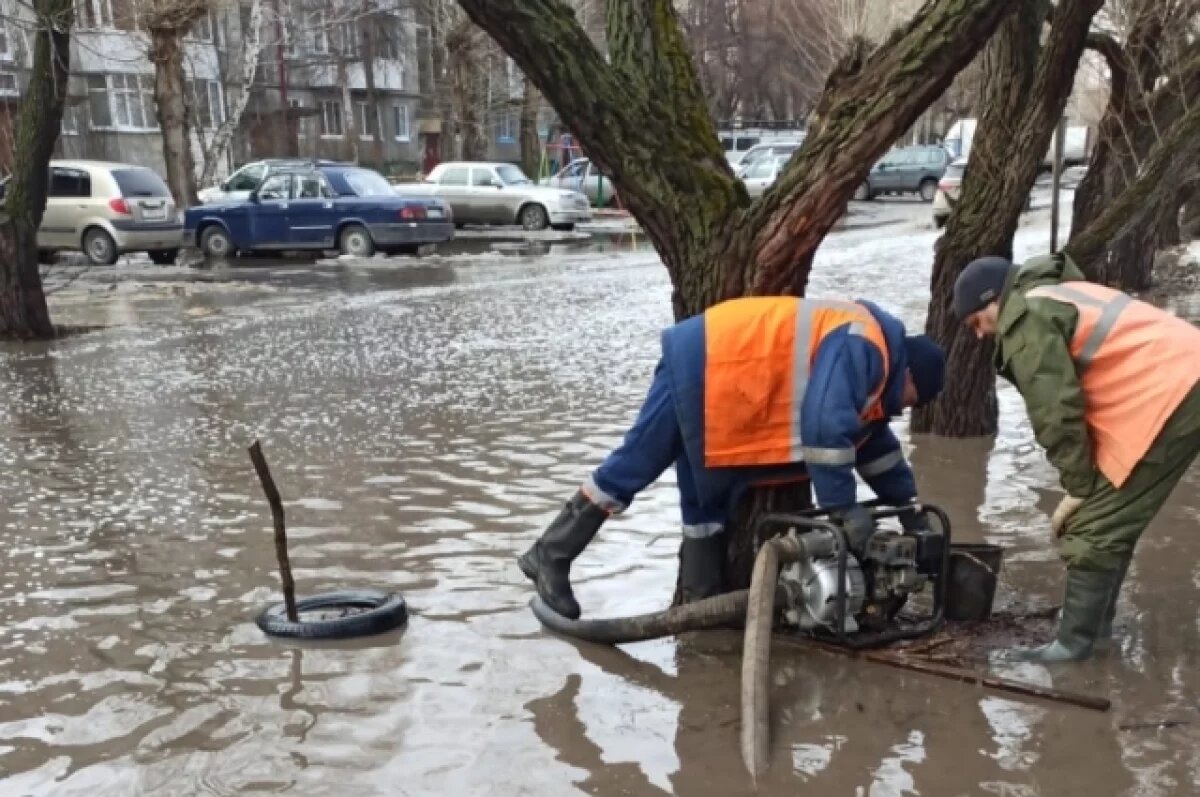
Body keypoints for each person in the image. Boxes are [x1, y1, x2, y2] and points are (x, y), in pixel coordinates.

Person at [519, 296, 947, 619]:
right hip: (704, 364)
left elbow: (874, 448)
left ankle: (700, 610)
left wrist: (911, 514)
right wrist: (844, 509)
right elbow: (825, 430)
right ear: (910, 375)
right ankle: (551, 554)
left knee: (705, 504)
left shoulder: (875, 367)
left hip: (729, 384)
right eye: (914, 398)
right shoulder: (865, 346)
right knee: (634, 465)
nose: (906, 408)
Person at [953, 252, 1200, 661]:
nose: (980, 335)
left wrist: (1079, 487)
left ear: (993, 300)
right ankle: (1097, 631)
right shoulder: (1058, 291)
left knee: (1092, 528)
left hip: (1173, 395)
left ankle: (1072, 649)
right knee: (1109, 519)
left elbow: (1057, 414)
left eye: (976, 322)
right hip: (1179, 382)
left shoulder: (1025, 316)